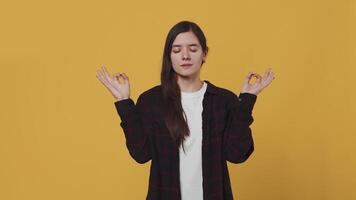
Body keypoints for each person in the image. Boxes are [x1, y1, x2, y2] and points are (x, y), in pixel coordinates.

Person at [96, 20, 275, 200]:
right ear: (169, 56)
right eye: (177, 50)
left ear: (204, 54)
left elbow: (237, 154)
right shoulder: (152, 101)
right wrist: (124, 103)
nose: (185, 56)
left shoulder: (223, 101)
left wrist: (245, 102)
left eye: (193, 49)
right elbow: (141, 154)